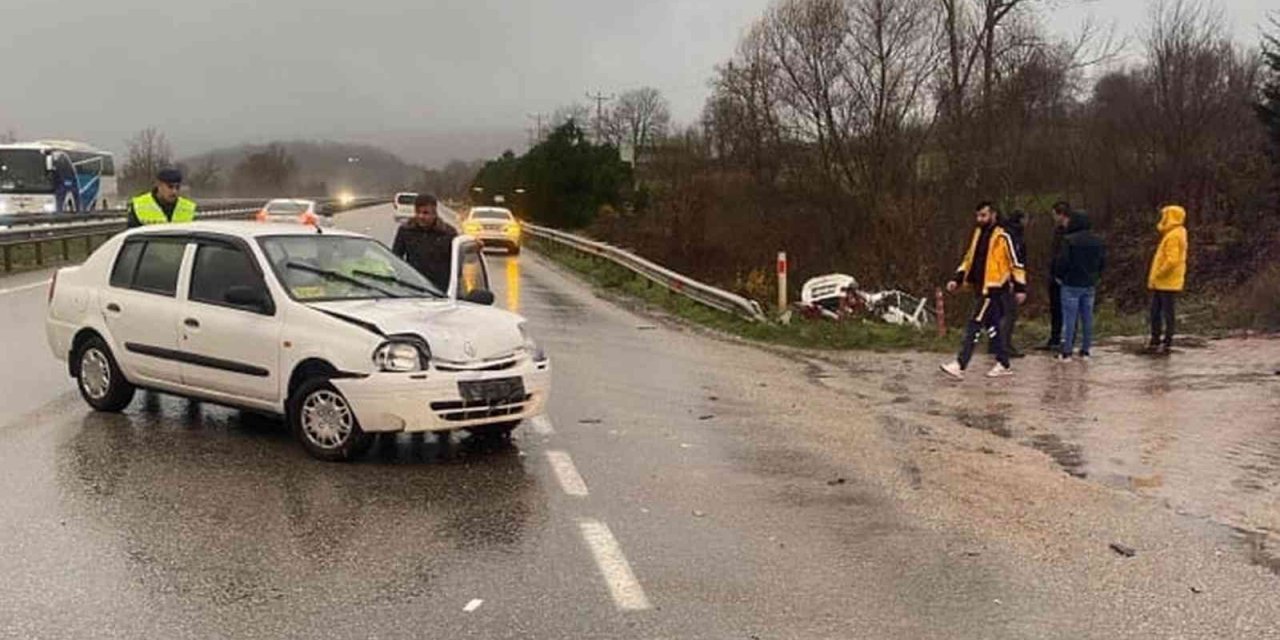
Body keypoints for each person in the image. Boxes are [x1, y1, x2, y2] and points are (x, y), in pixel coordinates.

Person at [939, 202, 1027, 380]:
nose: (979, 219)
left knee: (974, 324)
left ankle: (961, 364)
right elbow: (969, 258)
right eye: (978, 215)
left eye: (983, 216)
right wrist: (957, 279)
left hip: (993, 289)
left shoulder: (1004, 236)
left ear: (993, 214)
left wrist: (1020, 287)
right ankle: (1003, 362)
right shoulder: (978, 233)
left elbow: (1016, 263)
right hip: (979, 287)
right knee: (993, 327)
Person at [1051, 211, 1105, 361]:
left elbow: (1063, 261)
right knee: (1087, 318)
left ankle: (1066, 351)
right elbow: (1102, 262)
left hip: (1071, 283)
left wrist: (1059, 276)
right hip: (1089, 283)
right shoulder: (1098, 241)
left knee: (1069, 319)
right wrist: (1096, 277)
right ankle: (1085, 349)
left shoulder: (1069, 240)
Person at [391, 193, 456, 292]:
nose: (421, 216)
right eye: (418, 212)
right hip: (413, 288)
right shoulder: (406, 230)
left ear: (434, 213)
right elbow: (396, 258)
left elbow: (460, 260)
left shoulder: (448, 233)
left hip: (440, 290)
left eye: (425, 213)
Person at [1147, 204, 1188, 354]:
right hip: (1164, 282)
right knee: (1158, 312)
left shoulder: (1173, 235)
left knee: (1164, 312)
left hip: (1167, 282)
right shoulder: (1175, 233)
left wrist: (1159, 273)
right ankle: (1157, 339)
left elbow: (1172, 260)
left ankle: (1164, 341)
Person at [1037, 201, 1072, 350]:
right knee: (1055, 308)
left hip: (1065, 276)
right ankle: (1055, 337)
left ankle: (1064, 339)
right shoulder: (1058, 231)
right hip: (1055, 275)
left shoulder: (1069, 232)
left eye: (1054, 214)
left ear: (1060, 214)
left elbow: (1063, 255)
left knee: (1066, 309)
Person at [997, 209, 1028, 358]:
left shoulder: (1005, 233)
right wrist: (1016, 283)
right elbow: (1015, 261)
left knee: (1003, 313)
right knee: (1010, 313)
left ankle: (1000, 344)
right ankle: (1004, 346)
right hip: (1007, 280)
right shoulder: (1013, 237)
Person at [126, 168, 196, 227]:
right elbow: (132, 237)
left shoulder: (188, 208)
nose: (174, 191)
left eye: (177, 187)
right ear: (159, 185)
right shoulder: (139, 205)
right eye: (170, 187)